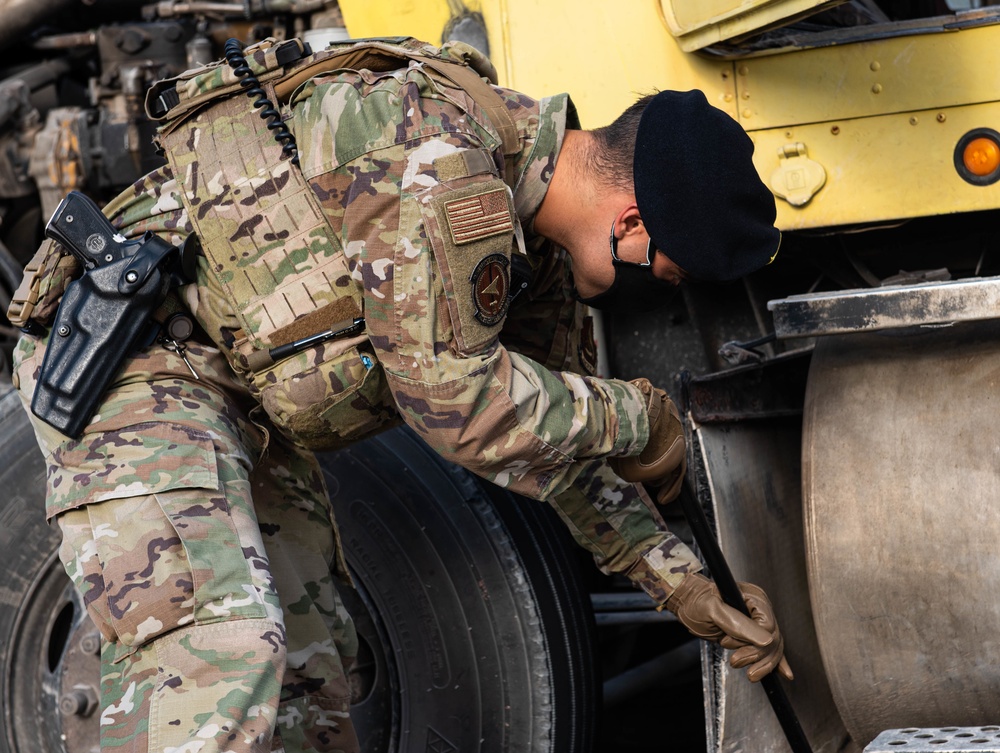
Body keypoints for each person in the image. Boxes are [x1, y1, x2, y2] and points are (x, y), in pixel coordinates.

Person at [9, 36, 790, 753]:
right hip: (138, 359)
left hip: (233, 395)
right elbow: (460, 404)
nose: (652, 289)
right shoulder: (446, 159)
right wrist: (642, 419)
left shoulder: (532, 250)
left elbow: (546, 438)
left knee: (312, 686)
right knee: (216, 656)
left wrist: (681, 583)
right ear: (631, 219)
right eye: (666, 273)